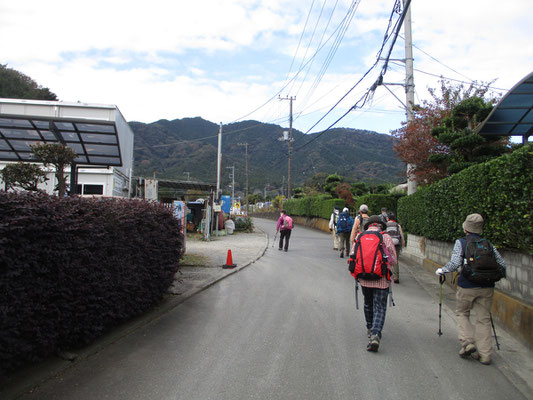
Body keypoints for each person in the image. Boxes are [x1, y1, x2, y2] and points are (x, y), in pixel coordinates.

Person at [435, 213, 506, 365]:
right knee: (484, 319)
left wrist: (442, 270)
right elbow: (502, 264)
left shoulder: (461, 242)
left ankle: (468, 342)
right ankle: (486, 354)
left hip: (467, 284)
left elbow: (455, 263)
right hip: (487, 286)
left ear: (466, 227)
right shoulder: (488, 244)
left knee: (462, 312)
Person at [351, 215, 397, 352]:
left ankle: (370, 328)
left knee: (368, 303)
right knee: (380, 307)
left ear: (368, 225)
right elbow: (393, 260)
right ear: (381, 225)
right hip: (381, 278)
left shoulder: (360, 237)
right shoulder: (385, 238)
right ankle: (376, 334)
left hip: (364, 277)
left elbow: (353, 255)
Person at [385, 212, 405, 283]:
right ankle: (396, 276)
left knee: (387, 259)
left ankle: (388, 275)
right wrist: (403, 243)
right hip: (396, 244)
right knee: (395, 259)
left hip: (388, 244)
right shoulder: (397, 225)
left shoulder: (385, 225)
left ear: (388, 218)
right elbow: (401, 235)